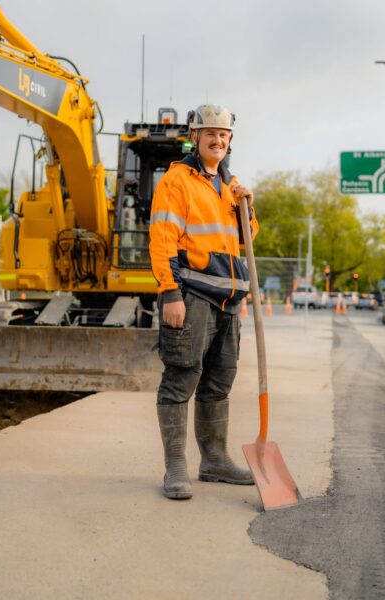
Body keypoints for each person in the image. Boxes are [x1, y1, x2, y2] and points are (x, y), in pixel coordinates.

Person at [149, 104, 258, 500]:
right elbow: (162, 241)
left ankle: (214, 460)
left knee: (218, 384)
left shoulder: (230, 186)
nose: (217, 140)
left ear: (230, 142)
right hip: (192, 295)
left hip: (228, 299)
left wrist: (248, 205)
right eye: (209, 133)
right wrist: (170, 293)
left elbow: (244, 240)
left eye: (224, 135)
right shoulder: (176, 182)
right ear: (194, 137)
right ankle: (176, 467)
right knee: (181, 378)